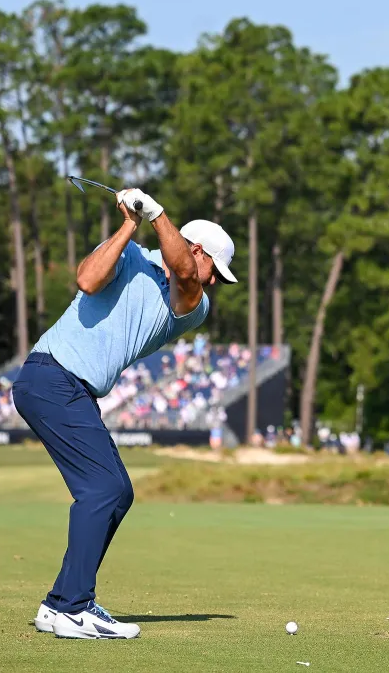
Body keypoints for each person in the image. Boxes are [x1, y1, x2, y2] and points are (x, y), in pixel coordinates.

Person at [12, 188, 237, 640]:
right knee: (103, 490)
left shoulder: (193, 305)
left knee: (116, 492)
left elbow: (188, 278)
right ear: (197, 250)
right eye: (217, 269)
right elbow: (87, 281)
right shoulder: (127, 252)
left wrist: (156, 213)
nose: (215, 283)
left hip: (67, 388)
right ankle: (73, 607)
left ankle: (60, 604)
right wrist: (130, 225)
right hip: (50, 377)